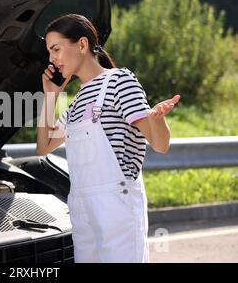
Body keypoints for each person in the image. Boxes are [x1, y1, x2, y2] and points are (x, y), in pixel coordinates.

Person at [36, 14, 180, 263]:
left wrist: (157, 120)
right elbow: (43, 146)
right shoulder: (77, 100)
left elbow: (160, 145)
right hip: (82, 207)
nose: (51, 59)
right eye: (49, 52)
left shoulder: (119, 82)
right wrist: (51, 96)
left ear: (82, 45)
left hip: (116, 207)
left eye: (56, 48)